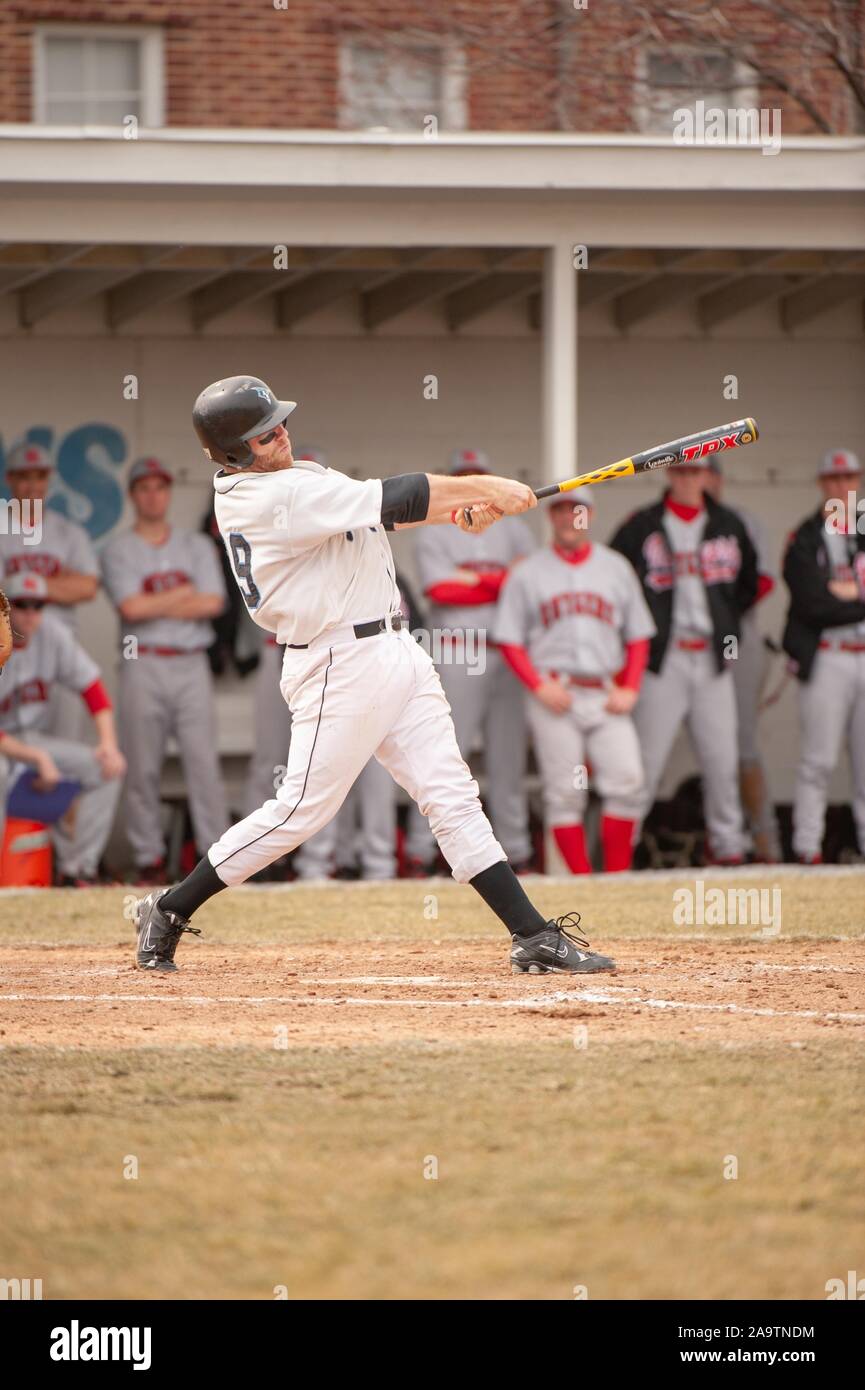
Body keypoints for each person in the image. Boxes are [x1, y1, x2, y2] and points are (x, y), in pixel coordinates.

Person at [133, 375, 616, 977]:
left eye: (278, 421)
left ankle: (532, 934)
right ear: (234, 452)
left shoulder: (295, 478)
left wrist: (461, 512)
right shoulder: (265, 499)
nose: (280, 432)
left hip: (394, 647)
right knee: (299, 812)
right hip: (338, 664)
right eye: (263, 434)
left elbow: (381, 516)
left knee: (452, 794)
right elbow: (400, 493)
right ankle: (170, 909)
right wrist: (491, 486)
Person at [495, 488, 654, 873]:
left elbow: (638, 635)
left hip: (604, 690)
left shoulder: (615, 567)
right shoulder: (528, 572)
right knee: (565, 793)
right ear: (551, 517)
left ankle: (616, 879)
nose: (569, 517)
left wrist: (631, 686)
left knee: (627, 781)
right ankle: (583, 883)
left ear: (591, 515)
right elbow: (510, 639)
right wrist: (537, 685)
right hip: (555, 691)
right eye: (562, 510)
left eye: (577, 510)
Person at [610, 461, 758, 865]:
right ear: (669, 475)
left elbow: (749, 586)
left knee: (722, 760)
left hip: (711, 659)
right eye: (681, 471)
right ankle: (623, 850)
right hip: (664, 659)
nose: (688, 478)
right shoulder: (643, 524)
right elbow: (613, 579)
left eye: (696, 472)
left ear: (710, 476)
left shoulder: (728, 523)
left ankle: (729, 848)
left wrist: (725, 625)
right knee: (645, 762)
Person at [100, 457, 230, 884]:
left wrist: (159, 603)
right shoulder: (120, 548)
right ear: (133, 494)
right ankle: (148, 856)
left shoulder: (195, 545)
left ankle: (217, 858)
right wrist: (182, 593)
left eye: (160, 487)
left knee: (203, 764)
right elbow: (131, 609)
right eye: (144, 488)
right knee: (142, 766)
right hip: (145, 662)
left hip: (191, 663)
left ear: (168, 492)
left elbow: (213, 602)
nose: (153, 495)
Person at [413, 448, 535, 871]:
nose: (471, 481)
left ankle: (516, 850)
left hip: (505, 653)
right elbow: (441, 591)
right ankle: (423, 851)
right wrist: (500, 579)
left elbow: (527, 584)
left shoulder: (515, 528)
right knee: (445, 756)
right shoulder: (435, 529)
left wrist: (473, 579)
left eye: (477, 475)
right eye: (462, 476)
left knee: (508, 757)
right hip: (457, 650)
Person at [0, 572, 125, 885]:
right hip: (9, 746)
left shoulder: (52, 634)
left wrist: (107, 744)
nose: (30, 613)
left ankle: (77, 870)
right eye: (22, 604)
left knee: (108, 768)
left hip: (31, 740)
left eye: (38, 605)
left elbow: (93, 689)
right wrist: (38, 758)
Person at [783, 449, 865, 863]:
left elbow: (831, 598)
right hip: (828, 656)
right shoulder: (806, 535)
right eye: (833, 480)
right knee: (818, 760)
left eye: (848, 478)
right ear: (822, 485)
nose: (841, 487)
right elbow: (813, 603)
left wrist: (847, 595)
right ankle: (807, 849)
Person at [702, 460, 781, 861]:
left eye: (709, 474)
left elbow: (763, 580)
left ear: (718, 477)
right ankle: (721, 840)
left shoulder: (741, 521)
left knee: (743, 743)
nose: (703, 481)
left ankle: (766, 842)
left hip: (739, 635)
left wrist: (719, 612)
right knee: (712, 746)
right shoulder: (669, 522)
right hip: (690, 645)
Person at [0, 440, 101, 737]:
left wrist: (24, 584)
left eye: (40, 476)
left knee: (65, 746)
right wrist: (59, 582)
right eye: (24, 477)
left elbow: (88, 587)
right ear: (10, 479)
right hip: (9, 651)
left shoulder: (69, 532)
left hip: (61, 652)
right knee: (10, 751)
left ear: (49, 479)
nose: (33, 485)